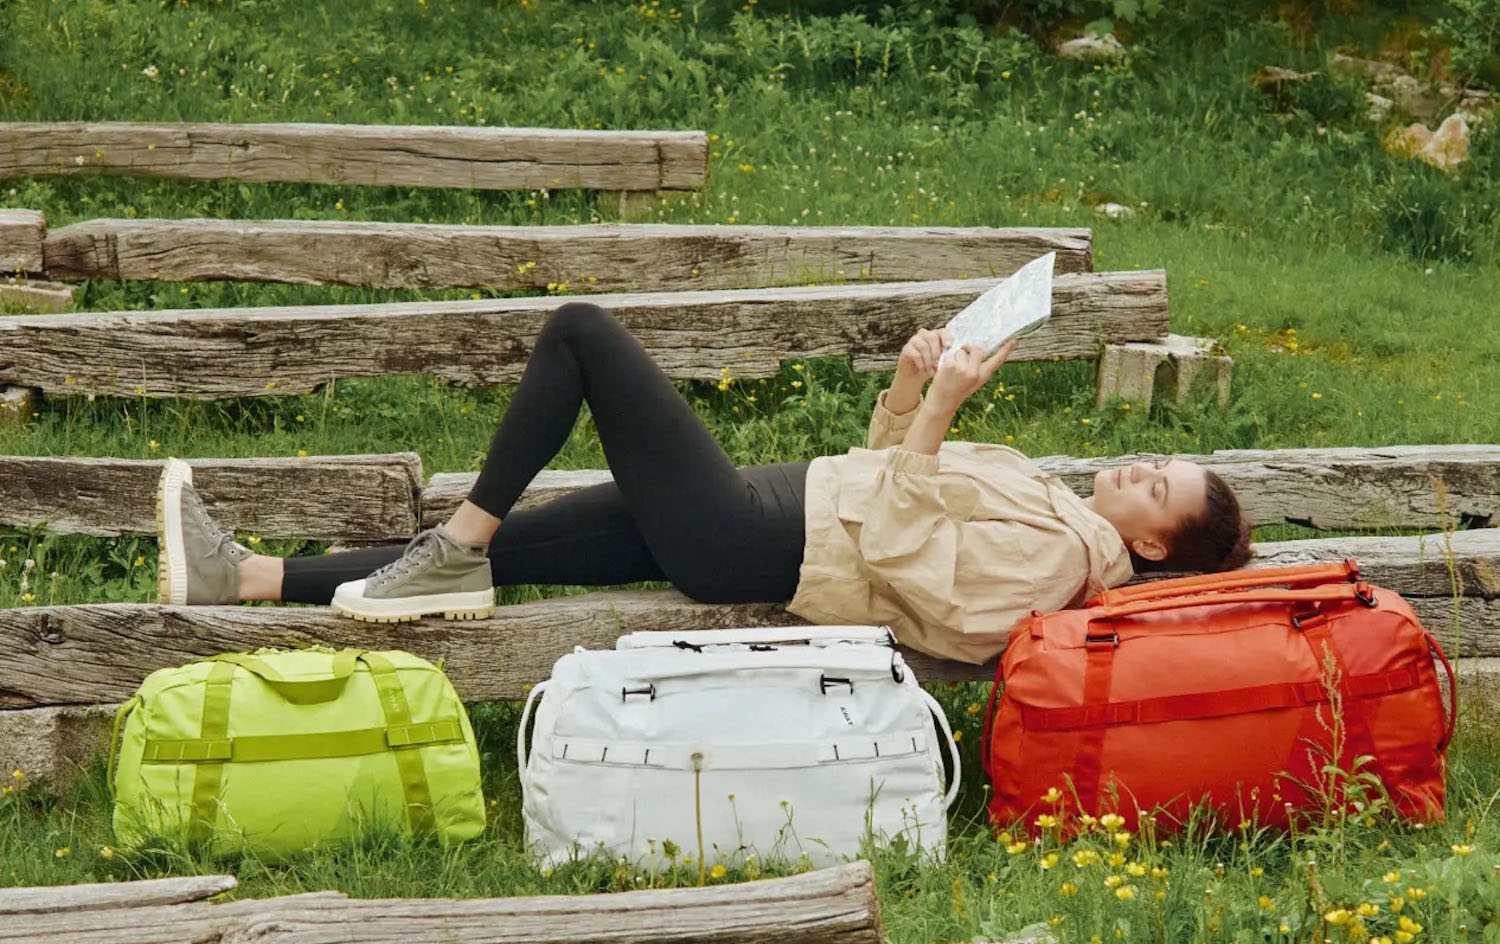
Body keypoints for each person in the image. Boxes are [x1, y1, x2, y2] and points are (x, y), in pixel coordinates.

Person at [156, 302, 1251, 664]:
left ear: (1152, 543)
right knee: (510, 551)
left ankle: (452, 539)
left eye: (1159, 484)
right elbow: (888, 476)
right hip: (767, 509)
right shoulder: (1053, 501)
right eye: (1156, 462)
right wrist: (913, 388)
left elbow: (902, 560)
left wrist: (947, 414)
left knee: (581, 332)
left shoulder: (1063, 566)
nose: (1140, 467)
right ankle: (241, 575)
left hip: (750, 540)